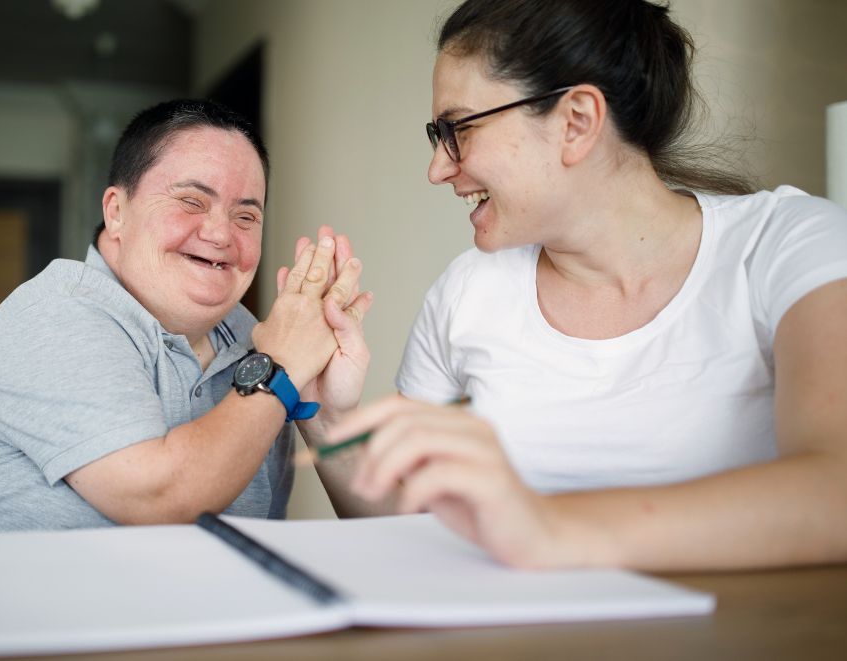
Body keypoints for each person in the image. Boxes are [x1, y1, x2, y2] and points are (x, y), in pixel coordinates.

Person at [322, 0, 847, 571]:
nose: (437, 169)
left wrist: (549, 529)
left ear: (576, 121)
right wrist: (322, 412)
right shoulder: (466, 293)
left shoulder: (791, 245)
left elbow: (834, 492)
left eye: (459, 129)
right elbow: (408, 526)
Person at [0, 99, 372, 534]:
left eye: (246, 217)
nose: (220, 234)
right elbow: (161, 499)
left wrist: (324, 416)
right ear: (116, 212)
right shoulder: (56, 314)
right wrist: (279, 370)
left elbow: (373, 533)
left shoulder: (259, 343)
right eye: (191, 201)